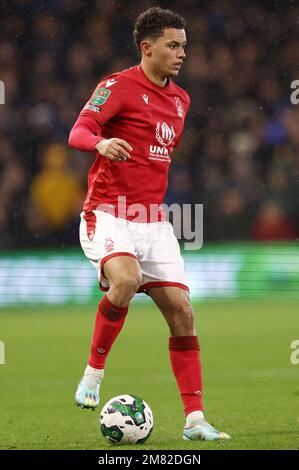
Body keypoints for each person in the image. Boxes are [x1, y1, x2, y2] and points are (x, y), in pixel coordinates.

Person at [68, 6, 230, 441]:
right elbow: (78, 132)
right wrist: (101, 142)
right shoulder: (116, 86)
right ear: (147, 47)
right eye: (173, 45)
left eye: (184, 46)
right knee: (125, 280)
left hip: (153, 221)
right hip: (106, 213)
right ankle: (93, 376)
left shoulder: (181, 100)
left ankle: (195, 420)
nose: (182, 54)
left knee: (182, 312)